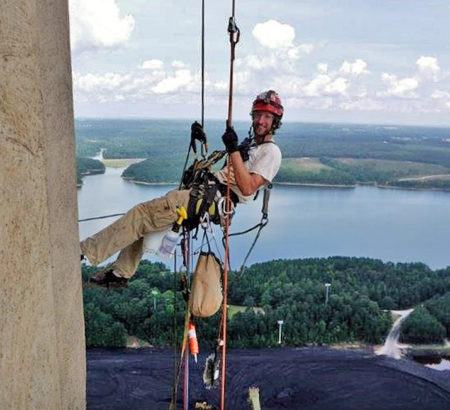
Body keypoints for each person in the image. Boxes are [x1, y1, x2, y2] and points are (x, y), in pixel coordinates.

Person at [81, 90, 283, 287]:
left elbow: (248, 188)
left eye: (267, 116)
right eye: (257, 115)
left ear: (275, 122)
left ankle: (86, 251)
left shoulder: (271, 152)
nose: (260, 121)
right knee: (147, 221)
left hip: (209, 199)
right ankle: (120, 273)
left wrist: (233, 149)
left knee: (141, 215)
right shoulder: (252, 145)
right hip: (204, 193)